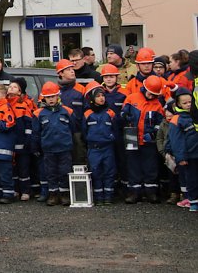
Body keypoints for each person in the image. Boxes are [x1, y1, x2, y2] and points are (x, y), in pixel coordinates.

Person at [121, 75, 164, 204]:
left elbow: (160, 124)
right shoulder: (132, 98)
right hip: (132, 137)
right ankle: (134, 193)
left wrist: (152, 134)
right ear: (144, 88)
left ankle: (151, 193)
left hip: (148, 141)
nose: (151, 96)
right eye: (150, 93)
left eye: (153, 94)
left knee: (150, 166)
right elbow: (122, 113)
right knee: (133, 165)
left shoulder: (157, 105)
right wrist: (125, 116)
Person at [32, 82, 75, 206]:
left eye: (53, 96)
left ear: (58, 96)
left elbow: (73, 129)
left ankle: (64, 194)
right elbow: (36, 132)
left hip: (64, 148)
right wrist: (35, 147)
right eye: (48, 97)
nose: (51, 99)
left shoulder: (68, 111)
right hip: (48, 149)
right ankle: (53, 194)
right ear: (44, 98)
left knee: (64, 171)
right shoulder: (38, 113)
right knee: (50, 172)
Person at [82, 83, 118, 205]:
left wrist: (112, 138)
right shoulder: (87, 114)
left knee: (109, 171)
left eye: (103, 95)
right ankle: (98, 197)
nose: (101, 98)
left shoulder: (110, 113)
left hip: (108, 148)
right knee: (96, 172)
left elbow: (116, 129)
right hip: (94, 149)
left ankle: (108, 197)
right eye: (98, 96)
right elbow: (83, 130)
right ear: (92, 99)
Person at [166, 88, 198, 212]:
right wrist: (181, 157)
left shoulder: (194, 115)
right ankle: (193, 201)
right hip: (189, 155)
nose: (188, 105)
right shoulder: (177, 119)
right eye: (185, 103)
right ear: (178, 104)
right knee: (192, 179)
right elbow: (176, 141)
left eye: (190, 102)